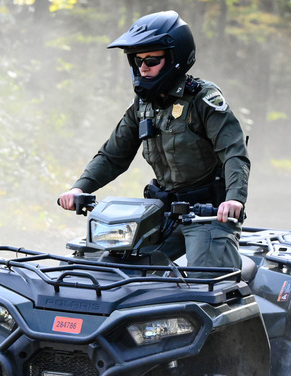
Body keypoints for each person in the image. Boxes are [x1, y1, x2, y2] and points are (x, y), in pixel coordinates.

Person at [58, 11, 250, 272]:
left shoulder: (202, 99)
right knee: (111, 267)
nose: (143, 67)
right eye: (137, 60)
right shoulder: (142, 106)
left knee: (208, 280)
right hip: (165, 211)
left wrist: (234, 199)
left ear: (175, 59)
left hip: (209, 213)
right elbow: (113, 155)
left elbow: (233, 151)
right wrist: (80, 188)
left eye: (151, 60)